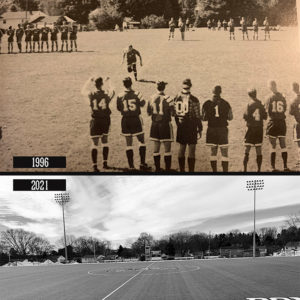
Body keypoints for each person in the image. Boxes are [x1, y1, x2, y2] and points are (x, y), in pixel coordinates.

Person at [81, 76, 115, 172]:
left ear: (94, 85)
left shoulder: (91, 94)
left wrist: (88, 80)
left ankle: (95, 166)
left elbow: (83, 91)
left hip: (95, 120)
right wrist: (109, 81)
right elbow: (113, 90)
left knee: (94, 143)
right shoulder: (106, 94)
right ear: (102, 84)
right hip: (105, 120)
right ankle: (105, 163)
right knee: (105, 141)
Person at [116, 77, 150, 171]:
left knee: (128, 144)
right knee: (141, 141)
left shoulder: (119, 95)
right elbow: (143, 103)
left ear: (123, 84)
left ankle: (131, 166)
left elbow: (119, 108)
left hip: (125, 120)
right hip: (136, 120)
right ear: (131, 84)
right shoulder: (137, 94)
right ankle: (142, 163)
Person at [173, 79, 202, 172]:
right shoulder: (194, 99)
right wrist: (200, 128)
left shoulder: (176, 97)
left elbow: (174, 114)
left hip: (181, 125)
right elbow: (197, 116)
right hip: (191, 125)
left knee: (182, 148)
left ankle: (182, 171)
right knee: (191, 149)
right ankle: (191, 171)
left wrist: (178, 124)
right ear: (191, 86)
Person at [202, 86, 233, 172]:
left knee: (213, 152)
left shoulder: (207, 103)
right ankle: (225, 172)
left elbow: (203, 118)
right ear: (220, 92)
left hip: (211, 129)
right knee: (224, 152)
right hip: (222, 130)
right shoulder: (226, 103)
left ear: (212, 92)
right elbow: (230, 117)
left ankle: (214, 172)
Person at [147, 81, 174, 172]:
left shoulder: (151, 98)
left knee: (156, 147)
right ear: (164, 88)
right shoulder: (169, 99)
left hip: (154, 125)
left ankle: (157, 168)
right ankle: (167, 169)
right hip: (165, 124)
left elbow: (148, 112)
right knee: (167, 149)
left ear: (156, 87)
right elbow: (173, 113)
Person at [265, 80, 289, 172]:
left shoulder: (269, 98)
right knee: (283, 145)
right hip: (282, 123)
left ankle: (272, 167)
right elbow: (285, 108)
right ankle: (285, 167)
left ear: (270, 87)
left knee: (273, 146)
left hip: (273, 123)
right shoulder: (282, 97)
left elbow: (267, 111)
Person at [243, 88, 267, 172]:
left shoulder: (249, 104)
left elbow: (245, 117)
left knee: (247, 149)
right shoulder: (261, 104)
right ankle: (259, 170)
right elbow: (265, 117)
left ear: (249, 95)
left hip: (250, 128)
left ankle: (245, 169)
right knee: (258, 149)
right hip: (259, 129)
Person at [289, 82, 300, 169]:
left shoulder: (294, 100)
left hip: (299, 124)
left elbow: (291, 113)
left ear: (293, 89)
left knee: (299, 144)